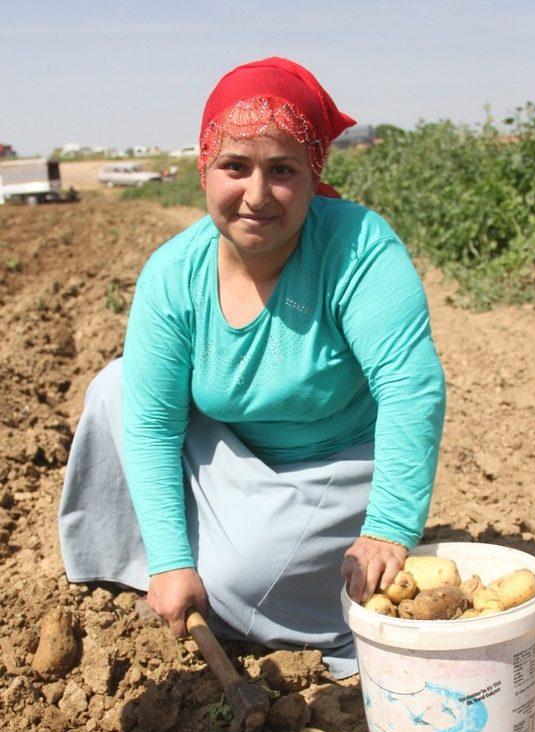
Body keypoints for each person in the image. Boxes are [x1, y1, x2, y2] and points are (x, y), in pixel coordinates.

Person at [59, 57, 446, 679]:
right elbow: (156, 426)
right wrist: (168, 560)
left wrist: (389, 527)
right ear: (204, 169)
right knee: (117, 389)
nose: (257, 195)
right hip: (235, 449)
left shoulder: (357, 248)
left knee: (246, 575)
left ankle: (267, 598)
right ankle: (159, 574)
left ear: (313, 171)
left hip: (333, 461)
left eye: (283, 170)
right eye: (235, 166)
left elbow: (409, 388)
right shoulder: (173, 272)